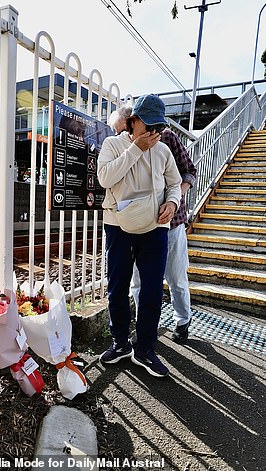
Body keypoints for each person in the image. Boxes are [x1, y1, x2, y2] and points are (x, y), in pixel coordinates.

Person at [97, 94, 182, 378]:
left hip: (155, 226)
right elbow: (105, 178)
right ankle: (120, 343)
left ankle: (145, 348)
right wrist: (136, 148)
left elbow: (175, 183)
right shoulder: (113, 144)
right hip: (118, 225)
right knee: (117, 286)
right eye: (150, 125)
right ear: (133, 121)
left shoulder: (164, 151)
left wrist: (172, 203)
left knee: (152, 289)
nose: (155, 132)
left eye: (159, 126)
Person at [110, 105, 197, 345]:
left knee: (176, 276)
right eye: (117, 132)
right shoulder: (123, 146)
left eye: (121, 130)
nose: (120, 136)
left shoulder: (167, 137)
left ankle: (182, 320)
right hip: (141, 225)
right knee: (138, 281)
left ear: (133, 121)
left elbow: (189, 171)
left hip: (173, 221)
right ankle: (145, 324)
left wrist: (173, 201)